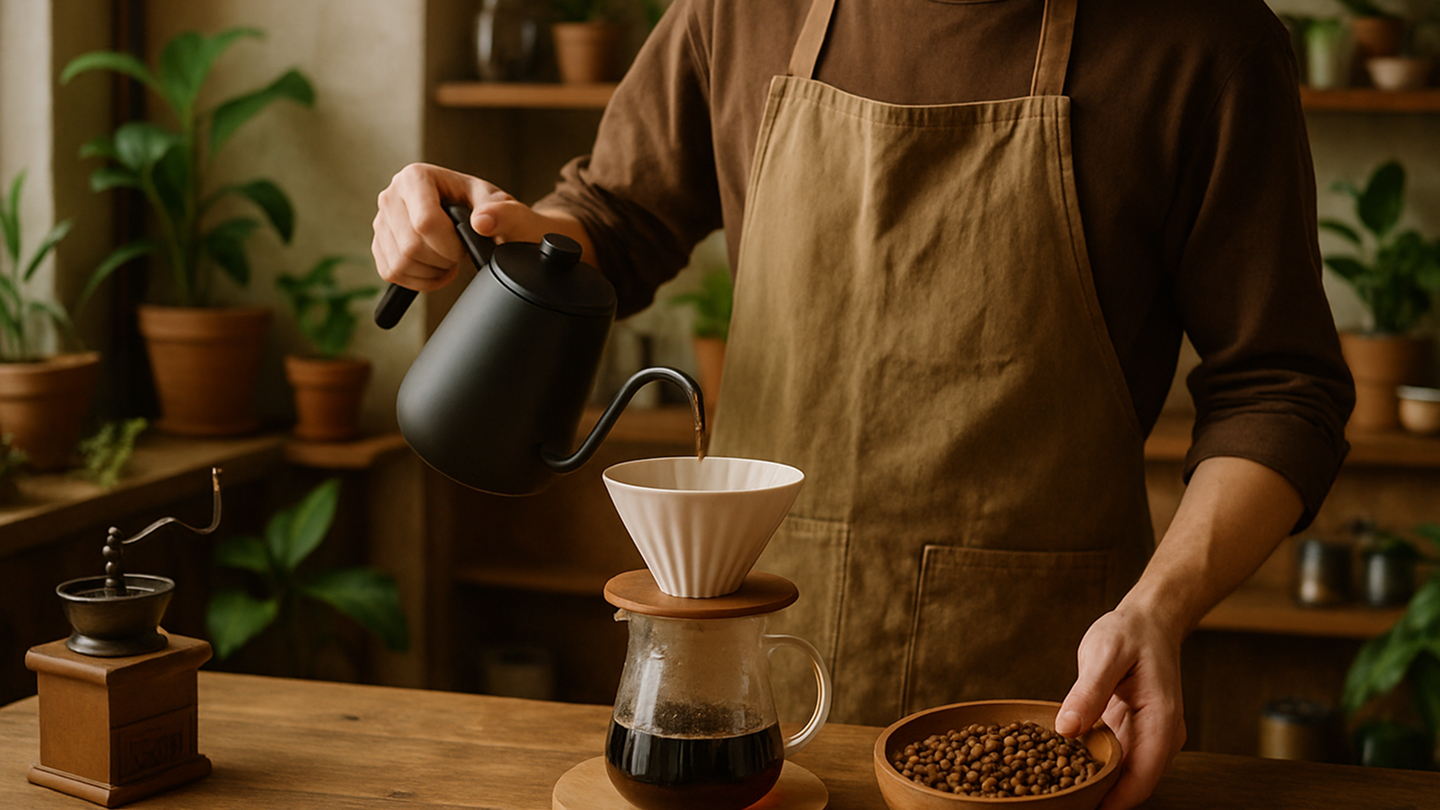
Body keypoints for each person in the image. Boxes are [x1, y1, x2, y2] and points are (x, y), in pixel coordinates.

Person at [372, 1, 1354, 807]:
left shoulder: (1206, 43)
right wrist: (498, 232)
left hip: (1042, 710)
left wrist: (1159, 610)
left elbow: (1280, 390)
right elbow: (615, 222)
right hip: (749, 690)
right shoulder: (738, 11)